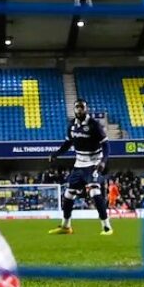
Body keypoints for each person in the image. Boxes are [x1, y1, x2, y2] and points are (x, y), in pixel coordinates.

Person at [47, 99, 113, 236]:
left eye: (82, 107)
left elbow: (106, 145)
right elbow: (67, 143)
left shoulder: (94, 125)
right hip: (79, 164)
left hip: (93, 164)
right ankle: (66, 226)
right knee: (68, 194)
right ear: (74, 109)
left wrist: (103, 162)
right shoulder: (71, 125)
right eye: (77, 107)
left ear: (86, 109)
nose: (79, 110)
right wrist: (56, 154)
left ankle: (107, 227)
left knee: (94, 192)